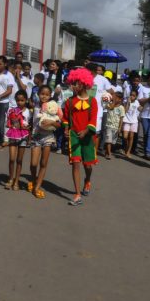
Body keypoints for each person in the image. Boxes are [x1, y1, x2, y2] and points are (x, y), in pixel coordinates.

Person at [62, 68, 98, 206]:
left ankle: (87, 180)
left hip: (88, 137)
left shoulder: (92, 101)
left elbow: (93, 119)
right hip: (74, 136)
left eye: (75, 83)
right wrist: (66, 129)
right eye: (72, 83)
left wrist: (86, 131)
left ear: (83, 84)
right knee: (75, 163)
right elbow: (66, 118)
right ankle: (77, 195)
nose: (73, 86)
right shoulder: (70, 101)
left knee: (87, 166)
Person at [27, 85, 61, 199]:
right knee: (33, 164)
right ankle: (33, 180)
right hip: (36, 136)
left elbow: (58, 124)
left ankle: (37, 187)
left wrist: (51, 123)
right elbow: (30, 120)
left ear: (50, 95)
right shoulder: (35, 105)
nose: (44, 96)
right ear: (38, 94)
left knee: (43, 163)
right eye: (42, 94)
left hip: (48, 137)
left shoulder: (53, 106)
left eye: (47, 94)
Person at [4, 89, 31, 190]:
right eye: (18, 100)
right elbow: (7, 123)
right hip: (13, 136)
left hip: (23, 137)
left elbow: (30, 126)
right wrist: (6, 137)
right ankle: (10, 179)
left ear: (26, 100)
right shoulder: (12, 110)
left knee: (19, 160)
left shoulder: (29, 112)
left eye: (22, 100)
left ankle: (16, 181)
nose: (20, 102)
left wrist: (29, 138)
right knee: (12, 159)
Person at [103, 91, 125, 160]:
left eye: (116, 97)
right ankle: (109, 153)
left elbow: (121, 118)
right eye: (114, 97)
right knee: (109, 140)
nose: (114, 98)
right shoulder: (109, 104)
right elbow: (110, 108)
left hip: (116, 127)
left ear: (120, 99)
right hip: (109, 125)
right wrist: (113, 101)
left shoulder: (121, 108)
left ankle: (107, 151)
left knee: (113, 142)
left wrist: (120, 128)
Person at [122, 89, 140, 158]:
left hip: (134, 121)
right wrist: (128, 102)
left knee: (131, 137)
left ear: (136, 97)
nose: (132, 96)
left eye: (133, 95)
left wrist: (144, 106)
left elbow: (140, 108)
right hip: (126, 120)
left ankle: (128, 151)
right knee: (125, 137)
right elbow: (125, 111)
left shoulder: (137, 102)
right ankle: (126, 148)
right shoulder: (126, 101)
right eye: (131, 95)